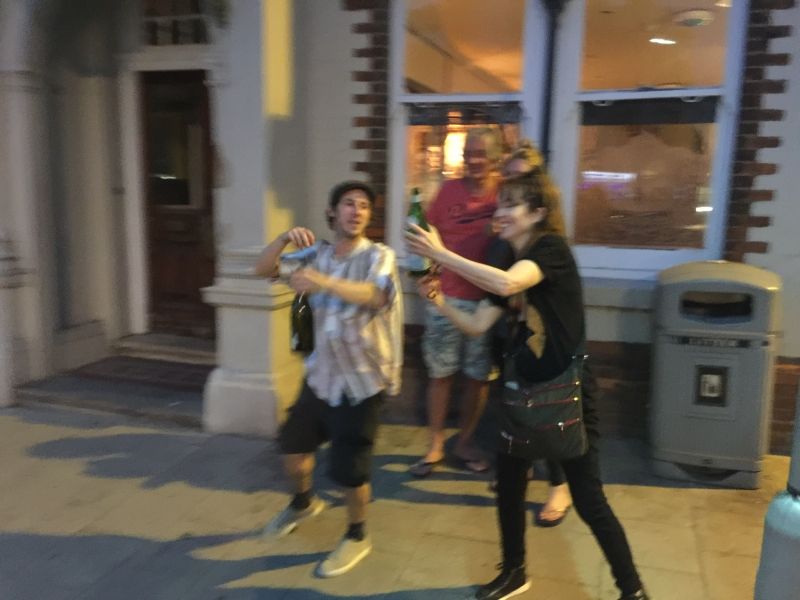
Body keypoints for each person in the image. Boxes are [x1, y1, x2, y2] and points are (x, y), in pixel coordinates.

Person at [406, 169, 649, 600]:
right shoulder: (505, 261)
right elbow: (477, 325)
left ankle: (632, 591)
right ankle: (514, 571)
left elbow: (510, 283)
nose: (501, 212)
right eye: (500, 203)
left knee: (588, 499)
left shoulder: (551, 249)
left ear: (538, 212)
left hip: (567, 393)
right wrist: (438, 301)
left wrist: (440, 253)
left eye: (512, 204)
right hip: (522, 394)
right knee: (509, 486)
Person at [254, 181, 403, 578]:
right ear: (332, 212)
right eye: (349, 204)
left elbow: (376, 295)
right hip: (321, 375)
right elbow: (263, 269)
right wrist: (283, 239)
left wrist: (323, 282)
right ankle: (303, 503)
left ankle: (357, 535)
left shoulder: (379, 255)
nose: (357, 211)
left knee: (351, 471)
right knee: (292, 450)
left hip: (361, 381)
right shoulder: (314, 255)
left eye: (364, 206)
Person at [409, 127, 501, 478]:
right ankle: (435, 444)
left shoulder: (505, 193)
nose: (473, 160)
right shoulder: (448, 191)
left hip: (488, 301)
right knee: (441, 374)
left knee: (478, 377)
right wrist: (427, 273)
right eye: (468, 154)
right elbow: (426, 233)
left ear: (495, 158)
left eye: (480, 154)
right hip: (446, 297)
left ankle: (464, 442)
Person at [498, 141, 572, 527]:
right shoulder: (507, 236)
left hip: (546, 342)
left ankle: (560, 486)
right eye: (508, 177)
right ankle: (521, 468)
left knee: (549, 412)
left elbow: (513, 283)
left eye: (521, 178)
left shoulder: (549, 243)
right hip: (515, 332)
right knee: (519, 408)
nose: (511, 185)